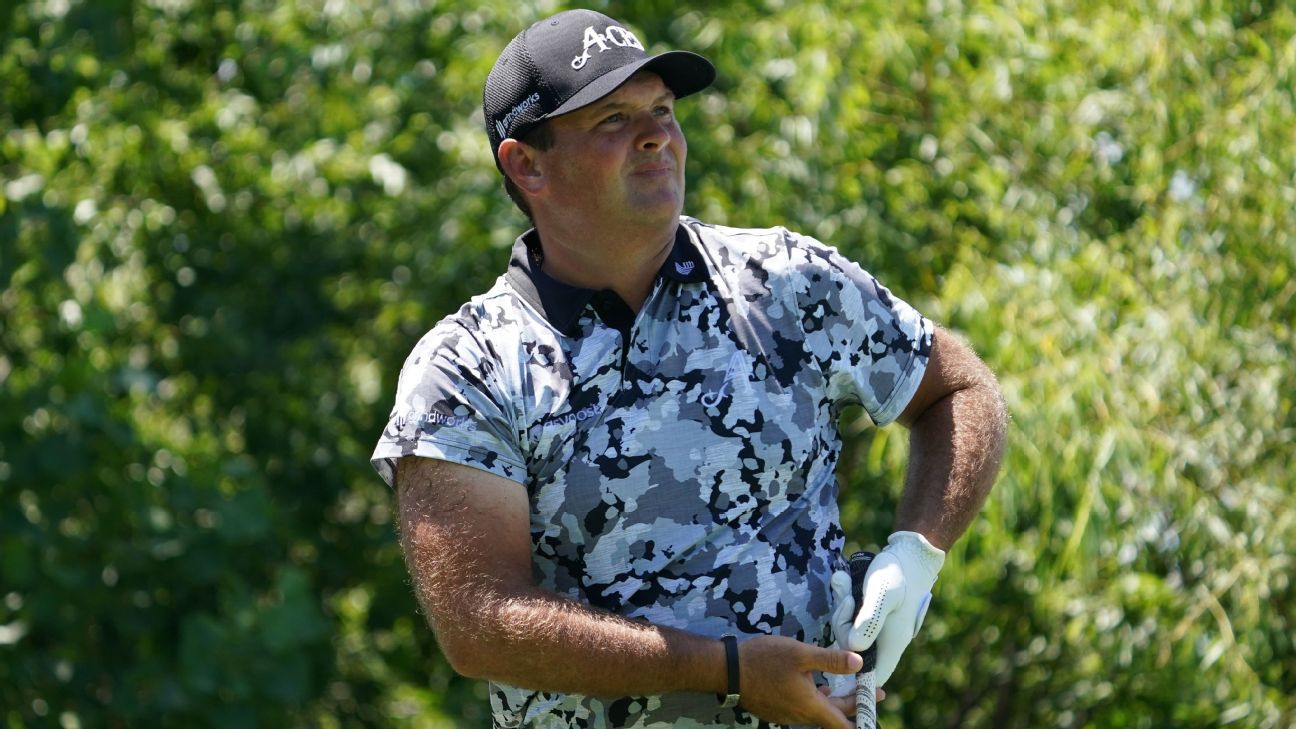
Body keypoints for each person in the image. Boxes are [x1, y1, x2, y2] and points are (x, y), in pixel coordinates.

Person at [371, 9, 1006, 729]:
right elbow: (481, 622)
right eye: (613, 119)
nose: (656, 135)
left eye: (663, 110)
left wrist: (917, 553)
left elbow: (958, 388)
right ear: (527, 164)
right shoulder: (467, 367)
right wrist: (728, 672)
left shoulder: (785, 282)